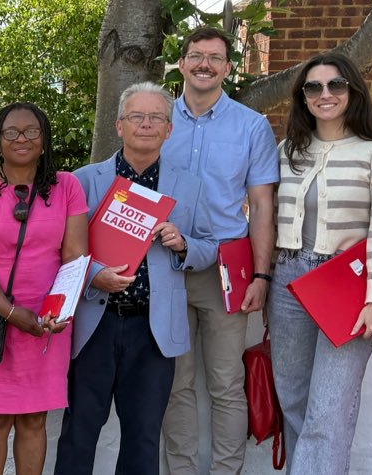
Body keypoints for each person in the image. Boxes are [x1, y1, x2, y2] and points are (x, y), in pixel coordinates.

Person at [54, 83, 216, 475]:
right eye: (136, 117)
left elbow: (210, 245)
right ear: (119, 125)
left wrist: (183, 245)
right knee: (79, 431)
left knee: (143, 436)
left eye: (156, 117)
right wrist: (95, 275)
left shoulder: (189, 186)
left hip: (153, 329)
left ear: (169, 129)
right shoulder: (83, 180)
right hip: (95, 323)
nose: (146, 124)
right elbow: (60, 248)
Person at [267, 53, 372, 474]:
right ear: (303, 97)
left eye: (336, 85)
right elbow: (263, 215)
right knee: (294, 400)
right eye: (313, 87)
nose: (325, 94)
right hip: (287, 279)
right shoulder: (288, 149)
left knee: (328, 407)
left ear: (353, 91)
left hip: (347, 286)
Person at [160, 26, 280, 475]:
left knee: (227, 385)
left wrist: (263, 276)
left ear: (228, 68)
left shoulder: (250, 127)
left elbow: (263, 206)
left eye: (214, 57)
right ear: (183, 63)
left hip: (225, 270)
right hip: (165, 267)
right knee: (176, 384)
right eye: (196, 55)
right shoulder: (157, 119)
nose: (204, 64)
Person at [0, 102, 85, 475]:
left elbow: (75, 258)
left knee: (33, 419)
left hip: (48, 322)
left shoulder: (67, 187)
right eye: (11, 132)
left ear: (44, 141)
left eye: (32, 131)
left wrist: (53, 314)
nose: (21, 139)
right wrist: (12, 313)